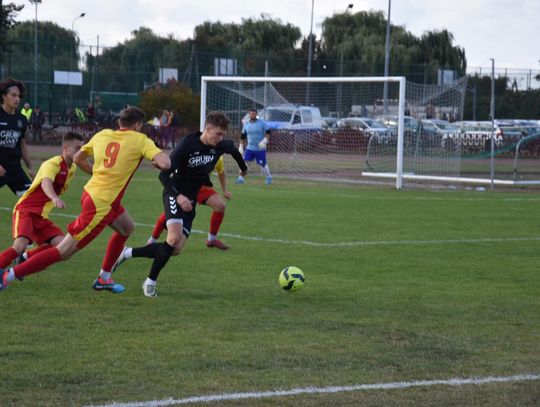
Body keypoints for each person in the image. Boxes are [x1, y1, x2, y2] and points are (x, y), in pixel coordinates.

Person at [0, 106, 171, 293]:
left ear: (119, 122)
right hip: (101, 204)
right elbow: (166, 163)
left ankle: (104, 278)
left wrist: (97, 173)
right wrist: (158, 162)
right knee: (63, 251)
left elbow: (78, 157)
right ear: (137, 125)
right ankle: (9, 275)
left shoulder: (103, 134)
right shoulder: (141, 140)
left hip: (95, 195)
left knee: (127, 227)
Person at [115, 111, 248, 297]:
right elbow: (163, 176)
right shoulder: (187, 144)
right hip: (174, 192)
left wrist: (243, 168)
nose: (221, 138)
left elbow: (233, 151)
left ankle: (127, 253)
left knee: (175, 249)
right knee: (173, 238)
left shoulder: (220, 145)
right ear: (207, 129)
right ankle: (150, 283)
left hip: (190, 199)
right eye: (218, 134)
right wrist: (178, 197)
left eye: (223, 135)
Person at [0, 132, 84, 269]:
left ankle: (25, 258)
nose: (80, 152)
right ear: (65, 147)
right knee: (20, 245)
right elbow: (46, 182)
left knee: (62, 246)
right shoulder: (53, 164)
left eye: (82, 148)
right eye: (77, 148)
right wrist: (54, 197)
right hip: (25, 210)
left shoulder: (72, 168)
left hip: (40, 216)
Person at [147, 155, 232, 250]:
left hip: (201, 188)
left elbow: (221, 172)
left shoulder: (218, 157)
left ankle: (211, 240)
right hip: (185, 186)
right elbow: (176, 159)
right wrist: (160, 163)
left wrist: (225, 190)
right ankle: (152, 240)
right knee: (172, 212)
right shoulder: (193, 151)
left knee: (220, 205)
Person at [0, 78, 35, 197]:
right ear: (4, 96)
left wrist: (30, 168)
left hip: (14, 168)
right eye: (13, 95)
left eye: (19, 96)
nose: (17, 99)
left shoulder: (21, 119)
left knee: (31, 199)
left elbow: (22, 145)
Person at [236, 108, 272, 185]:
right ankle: (240, 178)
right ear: (249, 115)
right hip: (250, 148)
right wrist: (241, 146)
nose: (252, 115)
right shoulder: (246, 124)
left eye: (254, 114)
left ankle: (269, 177)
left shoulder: (262, 123)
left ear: (256, 115)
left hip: (260, 148)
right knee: (243, 162)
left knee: (263, 164)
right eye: (251, 114)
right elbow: (243, 136)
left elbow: (268, 132)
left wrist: (264, 140)